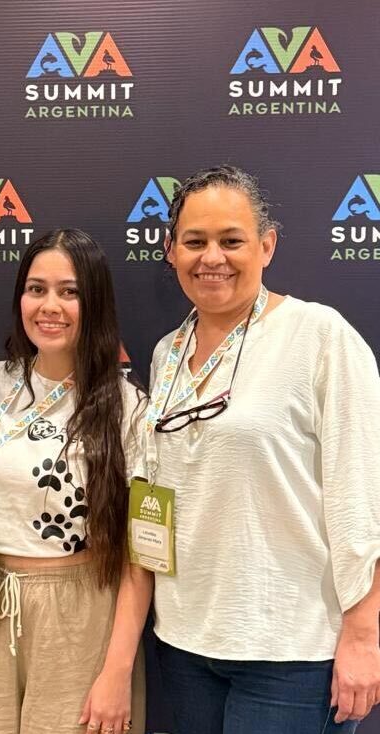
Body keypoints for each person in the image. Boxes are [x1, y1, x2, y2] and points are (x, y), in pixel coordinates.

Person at [144, 165, 380, 733]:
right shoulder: (166, 354)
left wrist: (365, 635)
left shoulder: (318, 336)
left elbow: (361, 494)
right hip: (185, 641)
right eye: (195, 242)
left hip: (292, 650)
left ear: (266, 246)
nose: (212, 258)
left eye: (232, 241)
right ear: (172, 251)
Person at [0, 229, 150, 734]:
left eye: (70, 292)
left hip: (81, 611)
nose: (50, 306)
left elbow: (141, 555)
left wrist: (117, 670)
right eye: (36, 288)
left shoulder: (126, 407)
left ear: (96, 303)